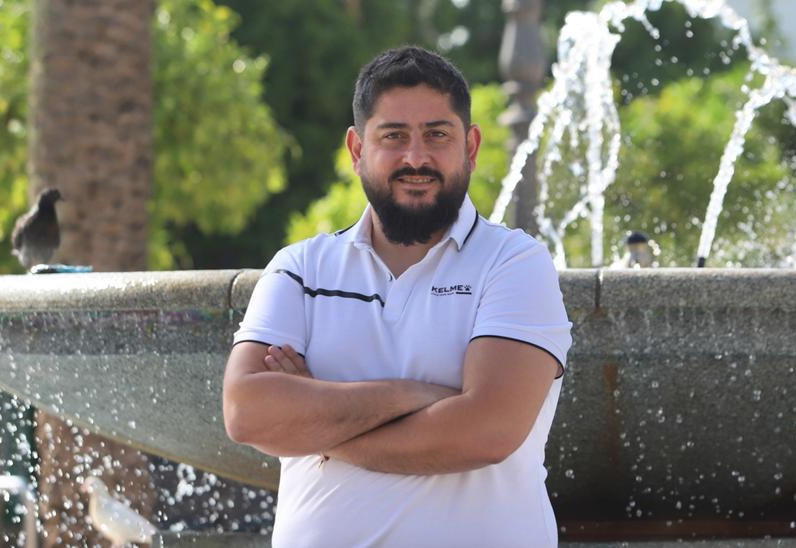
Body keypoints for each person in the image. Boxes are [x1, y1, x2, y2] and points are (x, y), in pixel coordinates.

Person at [221, 46, 572, 547]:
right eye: (393, 136)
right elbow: (246, 413)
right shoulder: (299, 268)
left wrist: (316, 424)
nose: (416, 157)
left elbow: (486, 432)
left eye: (437, 134)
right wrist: (416, 395)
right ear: (357, 149)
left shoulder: (514, 263)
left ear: (470, 146)